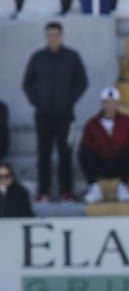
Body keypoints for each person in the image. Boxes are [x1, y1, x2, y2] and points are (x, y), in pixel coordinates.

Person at [22, 21, 88, 202]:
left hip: (66, 116)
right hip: (43, 116)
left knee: (65, 152)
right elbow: (27, 84)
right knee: (44, 153)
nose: (53, 39)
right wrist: (37, 102)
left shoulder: (72, 57)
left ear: (61, 36)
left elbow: (82, 83)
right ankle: (43, 192)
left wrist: (69, 100)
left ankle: (67, 192)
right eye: (49, 36)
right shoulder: (38, 58)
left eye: (55, 35)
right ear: (46, 37)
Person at [78, 87, 129, 204]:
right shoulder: (92, 124)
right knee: (84, 152)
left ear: (117, 104)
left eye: (113, 103)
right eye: (106, 102)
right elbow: (85, 145)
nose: (110, 106)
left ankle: (124, 186)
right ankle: (94, 188)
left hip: (120, 164)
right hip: (101, 164)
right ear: (102, 104)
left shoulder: (127, 121)